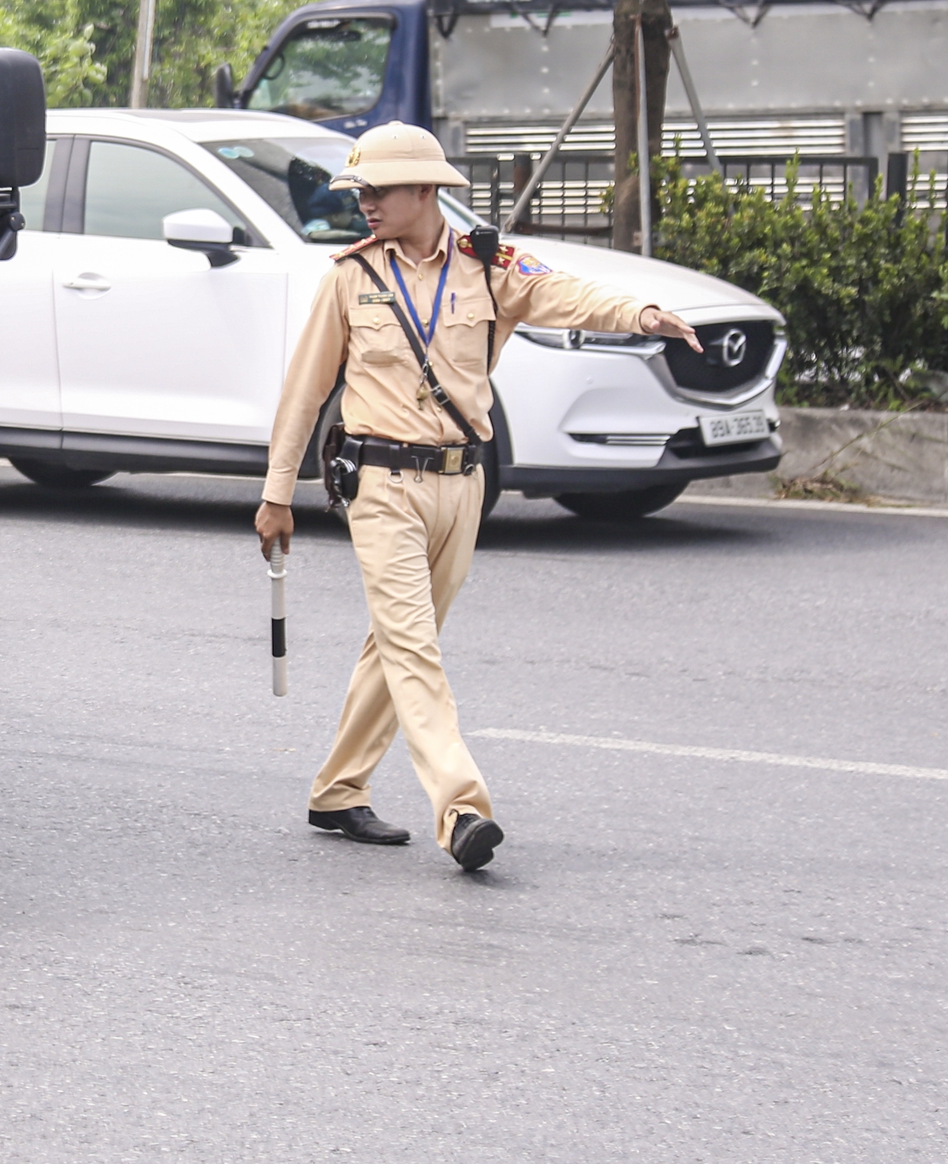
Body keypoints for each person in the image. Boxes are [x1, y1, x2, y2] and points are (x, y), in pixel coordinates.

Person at [253, 123, 702, 871]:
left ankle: (337, 789)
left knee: (395, 647)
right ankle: (461, 809)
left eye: (379, 190)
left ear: (426, 192)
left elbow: (565, 294)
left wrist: (642, 315)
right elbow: (304, 396)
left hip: (463, 484)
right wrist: (276, 495)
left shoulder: (488, 267)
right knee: (413, 646)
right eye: (359, 190)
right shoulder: (351, 278)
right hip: (379, 485)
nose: (364, 202)